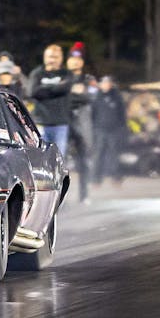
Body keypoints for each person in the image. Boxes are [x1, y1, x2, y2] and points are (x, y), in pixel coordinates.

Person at [28, 44, 73, 155]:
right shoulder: (37, 73)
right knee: (40, 157)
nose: (52, 60)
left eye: (56, 57)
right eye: (50, 57)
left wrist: (44, 88)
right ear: (45, 58)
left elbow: (65, 88)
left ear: (61, 59)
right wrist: (56, 87)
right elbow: (32, 92)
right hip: (40, 122)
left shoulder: (67, 74)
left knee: (59, 157)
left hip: (60, 124)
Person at [65, 42, 95, 203]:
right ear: (68, 61)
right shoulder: (63, 77)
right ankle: (61, 196)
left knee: (84, 161)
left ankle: (84, 194)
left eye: (79, 59)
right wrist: (76, 94)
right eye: (72, 58)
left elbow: (92, 97)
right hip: (65, 123)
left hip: (83, 125)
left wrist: (73, 95)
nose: (75, 62)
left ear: (82, 62)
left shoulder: (88, 79)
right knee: (61, 160)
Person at [92, 76, 127, 186]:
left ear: (111, 84)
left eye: (108, 83)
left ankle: (116, 178)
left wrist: (121, 128)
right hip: (100, 130)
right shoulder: (97, 97)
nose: (106, 85)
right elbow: (93, 114)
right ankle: (96, 179)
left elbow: (122, 114)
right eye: (104, 83)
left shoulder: (117, 97)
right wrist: (94, 128)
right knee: (99, 154)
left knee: (114, 154)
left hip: (114, 130)